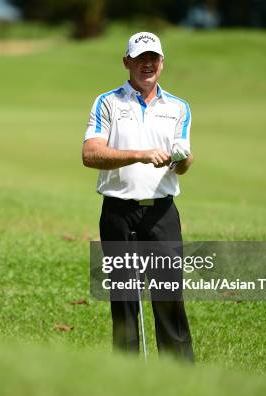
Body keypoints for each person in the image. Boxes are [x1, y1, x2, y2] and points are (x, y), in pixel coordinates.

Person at [82, 32, 194, 361]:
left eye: (154, 58)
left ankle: (182, 379)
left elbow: (183, 166)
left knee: (170, 298)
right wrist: (140, 154)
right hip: (119, 212)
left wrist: (183, 159)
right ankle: (127, 381)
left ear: (162, 63)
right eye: (141, 57)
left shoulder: (178, 107)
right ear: (127, 62)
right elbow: (91, 154)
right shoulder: (108, 102)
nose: (148, 64)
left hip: (162, 214)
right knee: (124, 300)